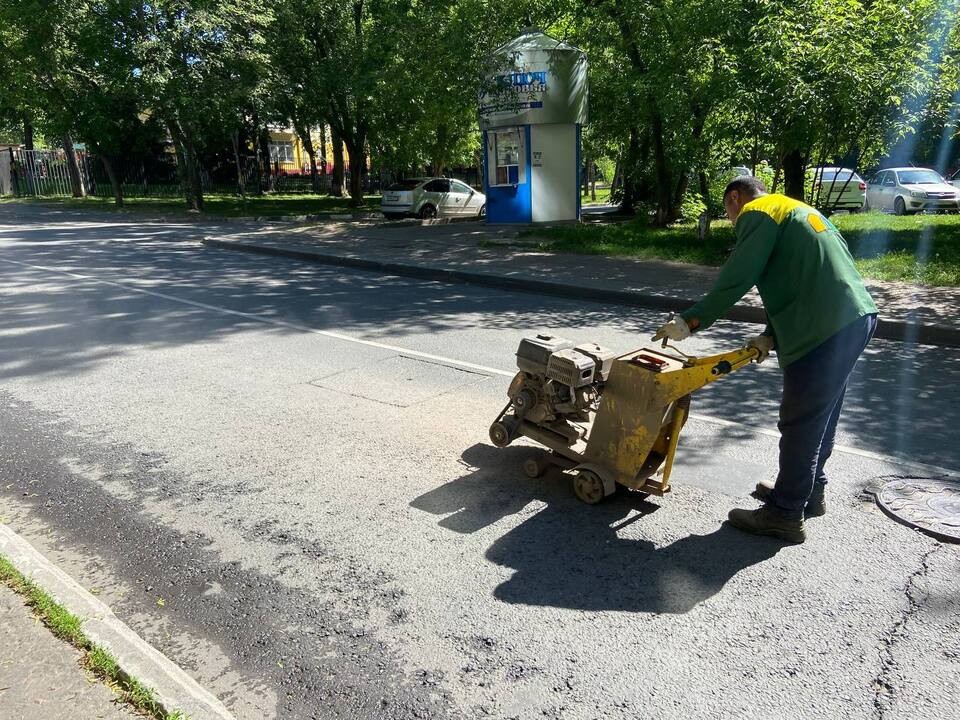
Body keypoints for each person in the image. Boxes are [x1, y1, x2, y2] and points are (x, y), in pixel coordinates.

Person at [652, 176, 878, 543]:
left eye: (728, 212)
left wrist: (691, 320)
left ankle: (784, 513)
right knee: (824, 412)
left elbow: (739, 276)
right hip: (855, 316)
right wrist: (771, 334)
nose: (732, 222)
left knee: (800, 421)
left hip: (820, 326)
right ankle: (809, 492)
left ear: (735, 198)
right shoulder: (796, 209)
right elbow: (794, 276)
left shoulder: (758, 212)